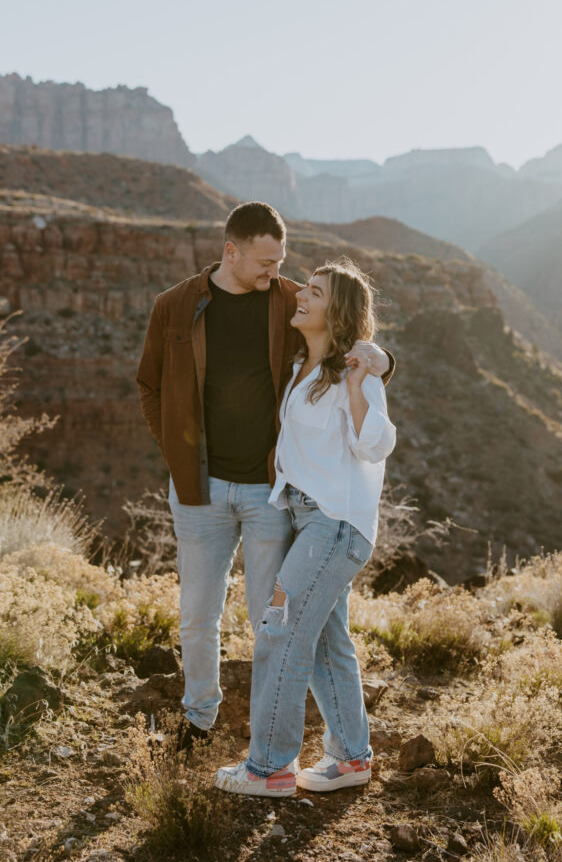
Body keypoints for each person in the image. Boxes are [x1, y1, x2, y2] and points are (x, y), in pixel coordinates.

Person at [136, 203, 394, 750]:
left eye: (281, 260)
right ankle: (200, 719)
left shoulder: (288, 301)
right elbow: (149, 384)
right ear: (230, 252)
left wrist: (384, 359)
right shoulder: (175, 306)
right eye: (265, 261)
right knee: (196, 617)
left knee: (270, 618)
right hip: (197, 489)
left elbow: (350, 333)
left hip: (269, 493)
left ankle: (269, 735)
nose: (277, 272)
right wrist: (175, 452)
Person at [216, 258, 395, 796]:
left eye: (314, 293)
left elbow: (374, 445)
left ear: (335, 311)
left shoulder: (351, 373)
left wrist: (367, 380)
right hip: (305, 518)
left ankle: (269, 767)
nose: (302, 297)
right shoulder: (303, 367)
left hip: (335, 523)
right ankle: (351, 758)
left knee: (281, 631)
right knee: (322, 642)